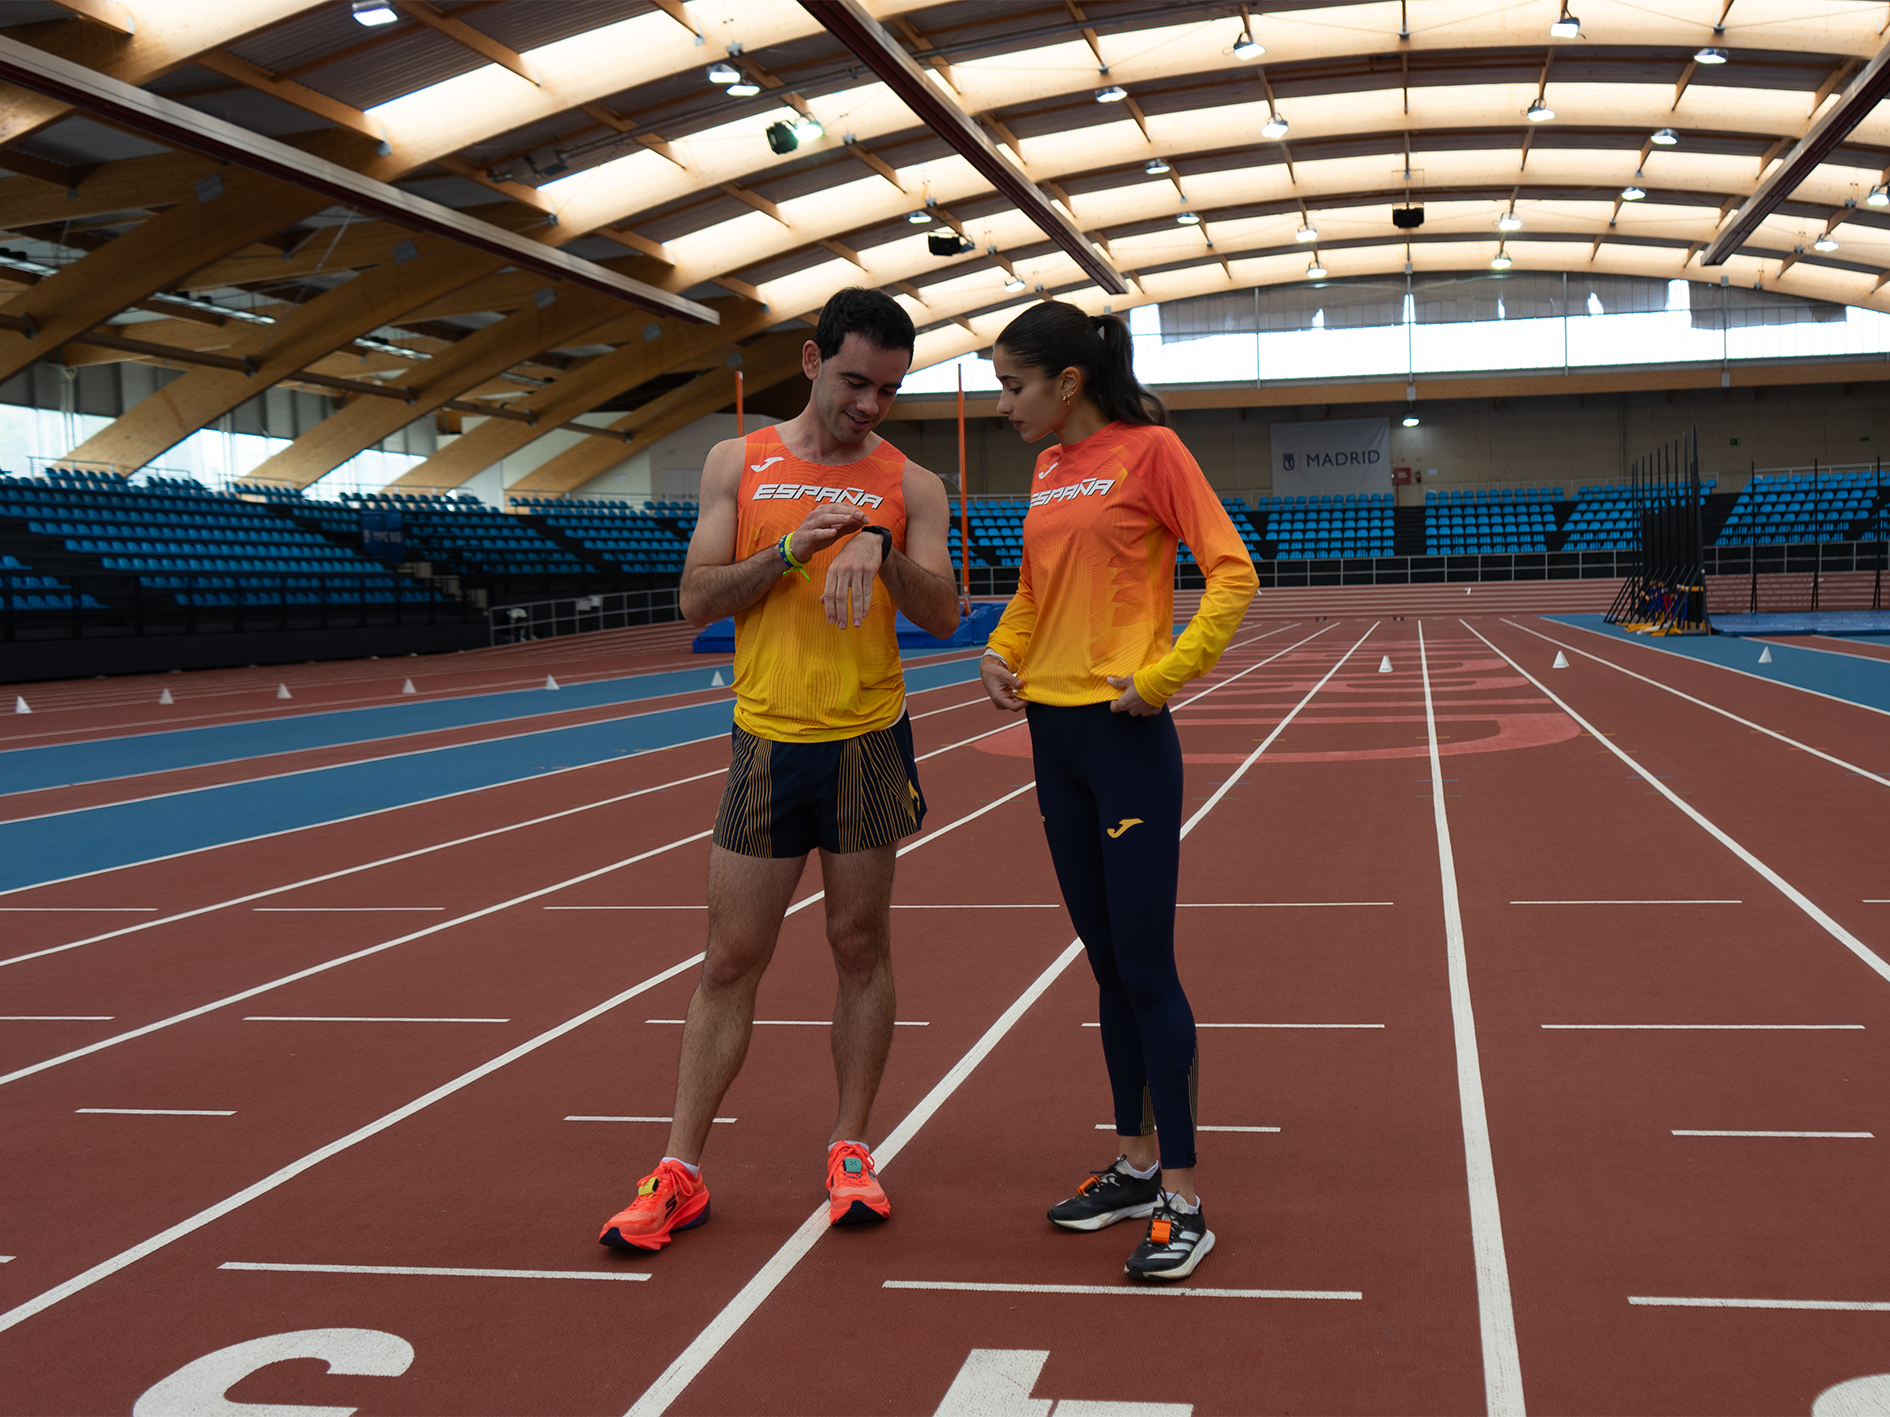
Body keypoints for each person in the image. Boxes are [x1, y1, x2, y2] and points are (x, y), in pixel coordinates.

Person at [599, 288, 960, 1253]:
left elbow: (945, 614)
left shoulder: (913, 484)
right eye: (854, 382)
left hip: (867, 738)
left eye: (888, 388)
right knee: (729, 958)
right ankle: (679, 1170)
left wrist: (880, 550)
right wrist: (789, 552)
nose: (870, 405)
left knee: (859, 947)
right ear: (809, 361)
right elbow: (693, 599)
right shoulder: (740, 462)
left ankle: (850, 1147)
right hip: (766, 738)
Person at [977, 300, 1257, 1281]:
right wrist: (1001, 650)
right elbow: (1032, 592)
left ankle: (1184, 1192)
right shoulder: (1050, 469)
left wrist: (1165, 676)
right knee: (1102, 966)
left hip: (1125, 734)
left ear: (1065, 382)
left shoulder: (1154, 452)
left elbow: (1233, 574)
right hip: (1052, 737)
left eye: (1013, 386)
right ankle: (1136, 1163)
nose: (1003, 405)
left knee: (1145, 969)